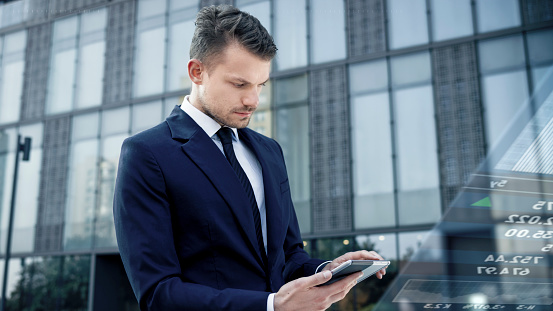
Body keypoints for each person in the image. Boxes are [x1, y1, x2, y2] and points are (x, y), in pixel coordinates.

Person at [113, 4, 386, 311]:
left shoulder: (269, 151)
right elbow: (158, 294)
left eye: (260, 86)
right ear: (197, 72)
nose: (253, 101)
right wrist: (270, 306)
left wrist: (325, 271)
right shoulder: (148, 154)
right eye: (240, 84)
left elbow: (289, 256)